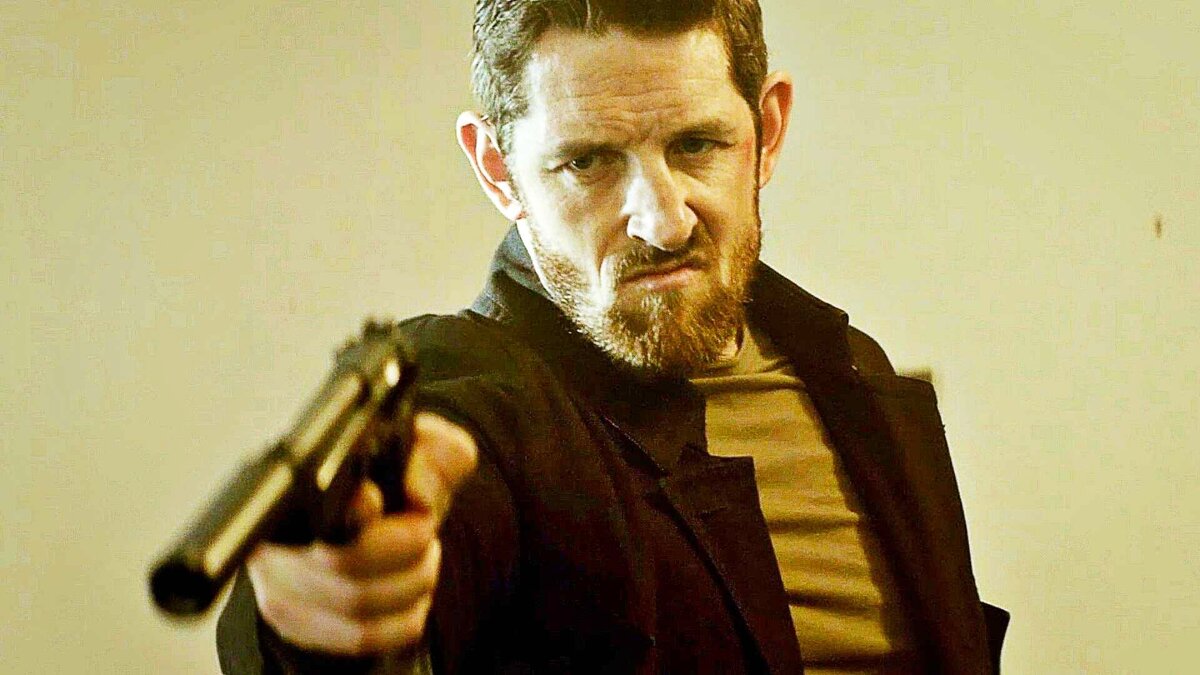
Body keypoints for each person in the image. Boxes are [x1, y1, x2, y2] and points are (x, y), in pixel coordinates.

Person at [217, 1, 1009, 673]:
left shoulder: (852, 371)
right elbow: (370, 564)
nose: (663, 222)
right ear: (497, 170)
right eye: (589, 161)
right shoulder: (473, 400)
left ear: (766, 131)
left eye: (696, 145)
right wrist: (322, 607)